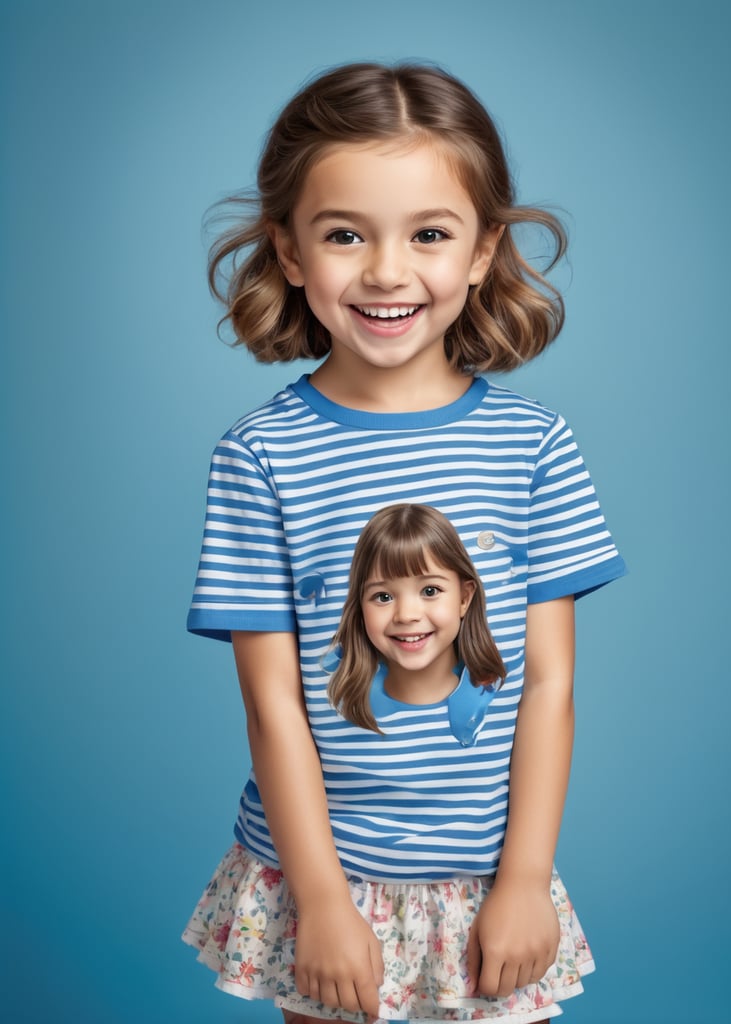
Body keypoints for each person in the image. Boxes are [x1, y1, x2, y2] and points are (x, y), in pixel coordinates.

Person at [182, 62, 626, 1024]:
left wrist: (524, 878)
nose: (386, 271)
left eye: (428, 234)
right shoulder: (259, 457)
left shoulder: (534, 447)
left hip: (490, 875)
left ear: (481, 251)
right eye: (345, 235)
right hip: (320, 874)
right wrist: (324, 902)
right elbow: (273, 709)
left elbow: (547, 684)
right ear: (291, 253)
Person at [326, 502, 507, 738]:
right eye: (383, 596)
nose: (406, 615)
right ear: (360, 604)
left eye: (430, 591)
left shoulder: (503, 698)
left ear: (464, 598)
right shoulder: (336, 708)